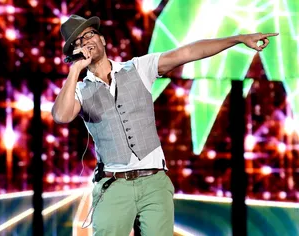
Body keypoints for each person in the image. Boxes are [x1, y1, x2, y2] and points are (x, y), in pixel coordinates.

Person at [52, 14, 278, 236]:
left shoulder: (138, 68)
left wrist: (238, 39)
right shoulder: (80, 91)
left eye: (89, 35)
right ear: (74, 52)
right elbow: (61, 115)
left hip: (154, 183)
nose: (86, 43)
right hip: (114, 186)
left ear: (102, 39)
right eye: (78, 42)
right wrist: (74, 72)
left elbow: (188, 52)